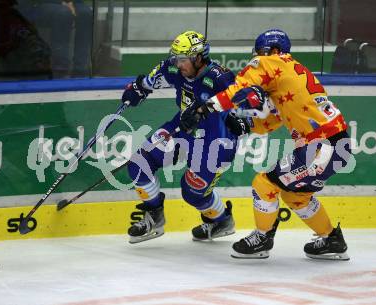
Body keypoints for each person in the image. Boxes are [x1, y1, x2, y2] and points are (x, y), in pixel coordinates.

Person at [181, 29, 352, 260]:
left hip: (320, 147)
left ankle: (262, 238)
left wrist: (204, 108)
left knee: (264, 183)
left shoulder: (270, 61)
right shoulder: (290, 74)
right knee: (295, 196)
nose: (257, 58)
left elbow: (237, 90)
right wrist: (246, 125)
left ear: (272, 50)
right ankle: (332, 239)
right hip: (335, 145)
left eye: (260, 52)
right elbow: (273, 119)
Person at [121, 31, 250, 244]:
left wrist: (244, 123)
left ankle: (222, 221)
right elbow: (149, 81)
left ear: (198, 58)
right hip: (181, 128)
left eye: (183, 59)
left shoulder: (221, 77)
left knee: (192, 193)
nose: (178, 64)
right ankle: (154, 215)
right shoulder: (173, 68)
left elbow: (248, 107)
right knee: (138, 164)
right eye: (176, 58)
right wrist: (138, 88)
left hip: (215, 141)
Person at [17, 0, 92, 78]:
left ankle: (80, 69)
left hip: (73, 2)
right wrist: (61, 3)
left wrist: (70, 3)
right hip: (42, 3)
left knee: (86, 14)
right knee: (63, 14)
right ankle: (61, 69)